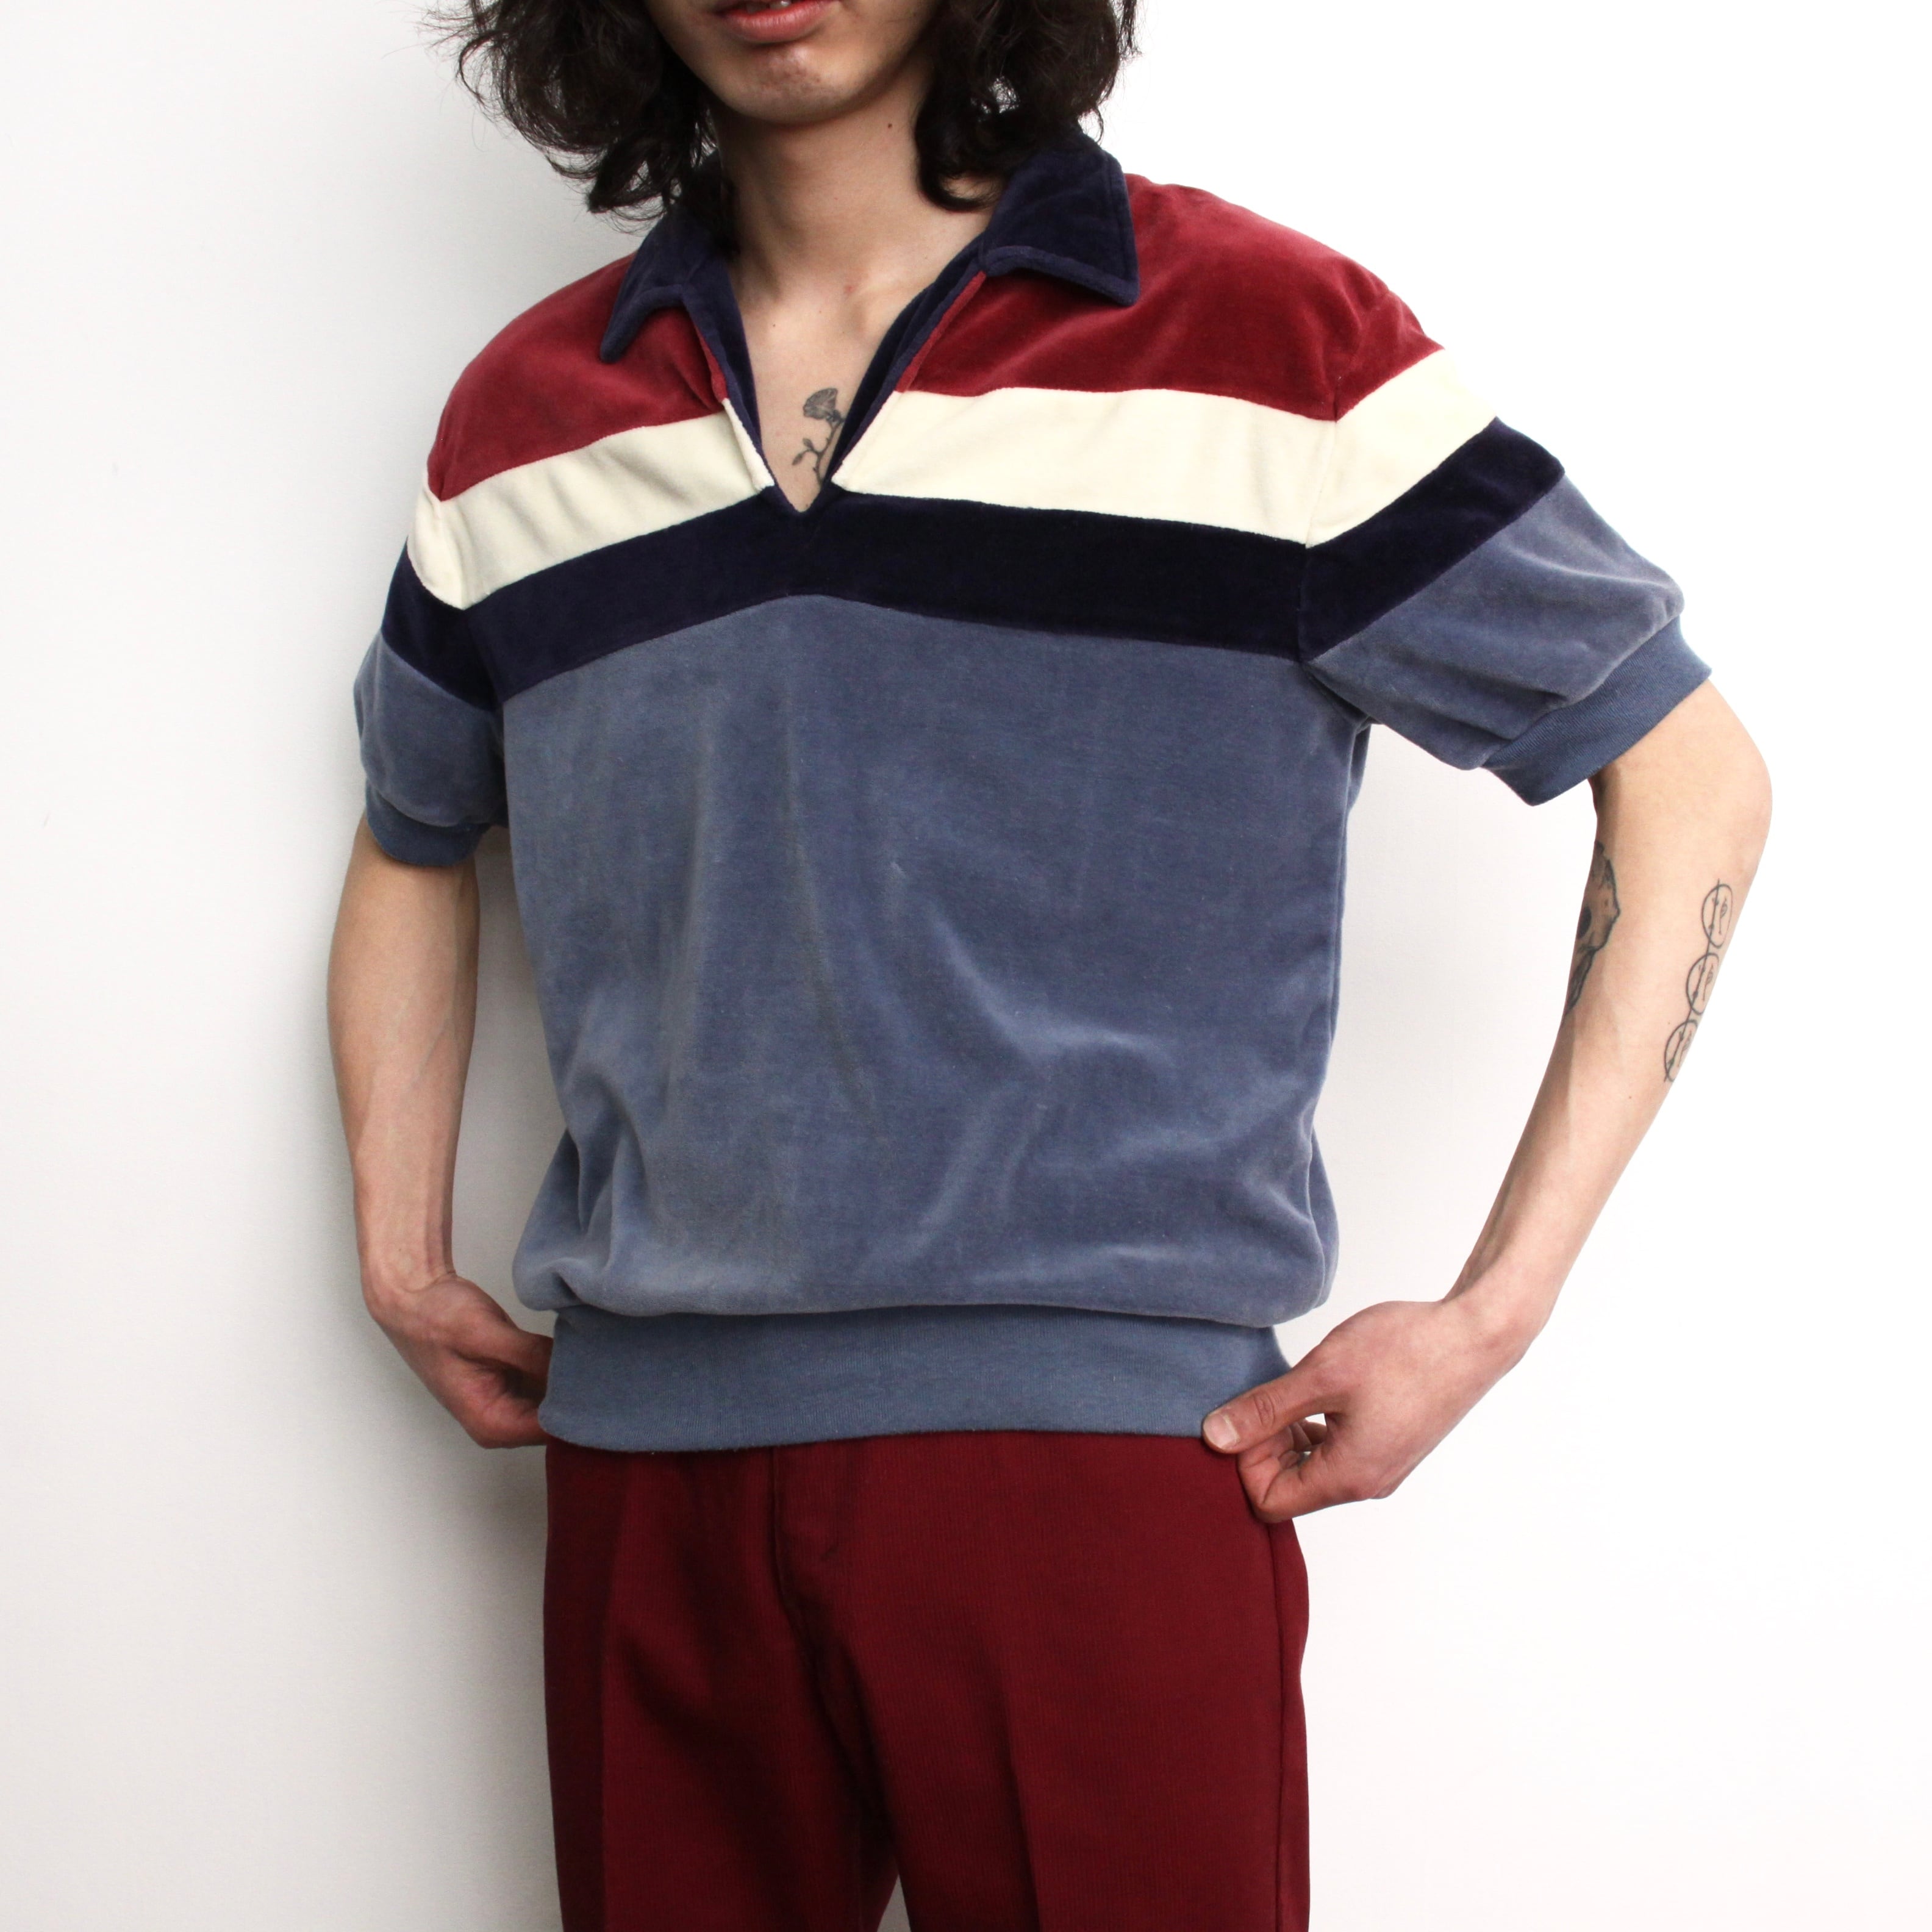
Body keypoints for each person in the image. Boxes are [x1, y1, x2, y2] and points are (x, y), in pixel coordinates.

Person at [327, 2, 1772, 1926]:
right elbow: (415, 832)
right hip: (648, 1471)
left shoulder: (1264, 342)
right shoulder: (526, 418)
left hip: (1098, 1468)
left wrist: (1493, 1311)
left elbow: (1687, 772)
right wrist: (396, 1246)